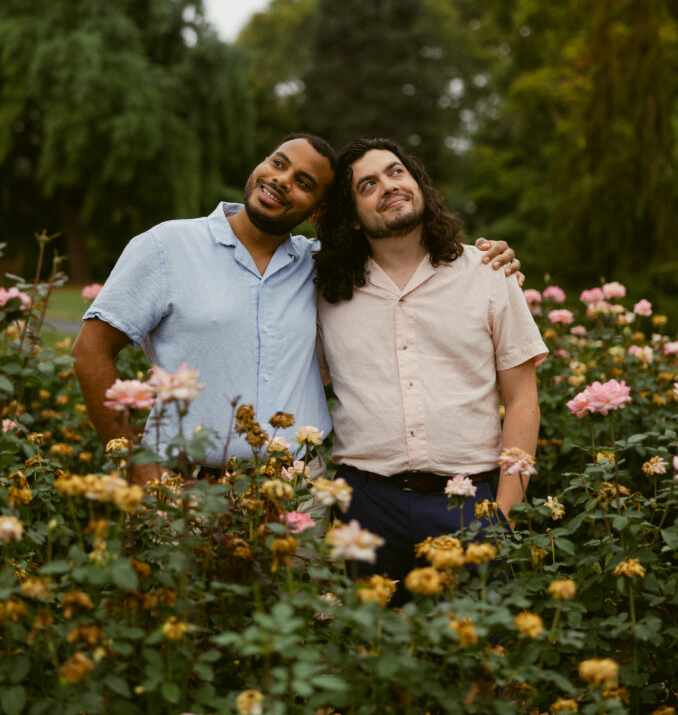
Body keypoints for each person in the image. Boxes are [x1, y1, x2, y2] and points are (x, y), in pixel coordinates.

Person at [72, 133, 520, 484]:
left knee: (304, 603)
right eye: (278, 163)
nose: (282, 180)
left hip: (297, 492)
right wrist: (136, 463)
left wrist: (489, 258)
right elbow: (90, 351)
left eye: (303, 183)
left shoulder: (321, 267)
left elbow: (400, 252)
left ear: (317, 210)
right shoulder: (166, 246)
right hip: (184, 486)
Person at [314, 137, 547, 587]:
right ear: (354, 219)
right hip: (364, 505)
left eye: (395, 172)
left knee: (481, 650)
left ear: (417, 182)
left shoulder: (488, 272)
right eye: (367, 185)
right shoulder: (326, 292)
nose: (388, 186)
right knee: (370, 648)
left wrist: (506, 514)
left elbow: (522, 399)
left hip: (469, 502)